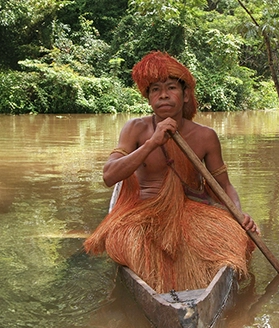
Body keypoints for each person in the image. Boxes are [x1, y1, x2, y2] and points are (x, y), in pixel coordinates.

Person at [84, 51, 255, 292]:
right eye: (155, 89)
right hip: (143, 212)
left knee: (235, 238)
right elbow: (109, 176)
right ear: (148, 98)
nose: (163, 95)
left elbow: (224, 186)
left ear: (185, 95)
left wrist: (238, 214)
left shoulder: (205, 137)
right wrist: (152, 142)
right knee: (123, 240)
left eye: (171, 87)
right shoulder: (136, 129)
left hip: (191, 210)